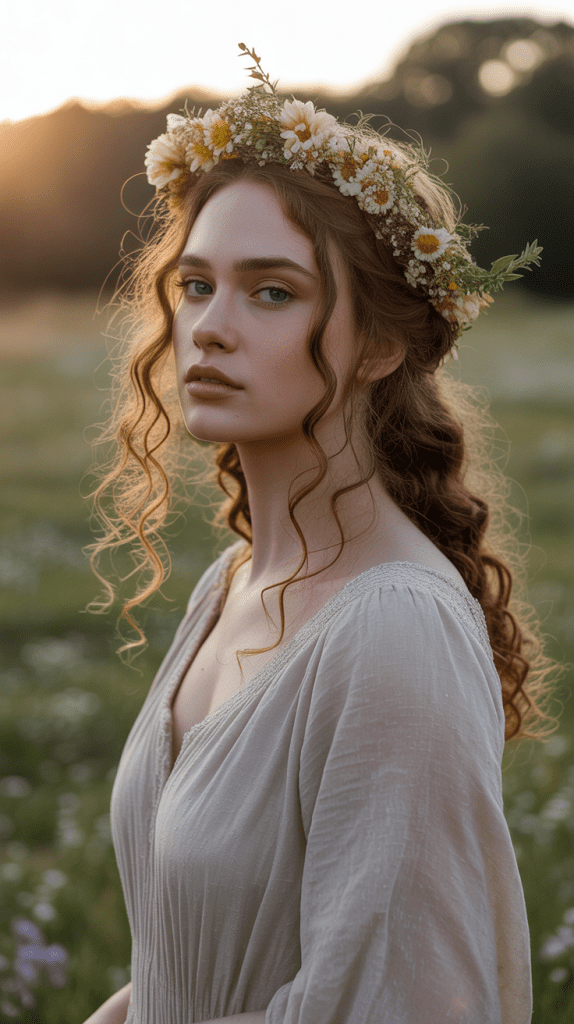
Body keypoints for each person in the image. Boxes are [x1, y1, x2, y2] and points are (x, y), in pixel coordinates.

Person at [83, 45, 560, 1024]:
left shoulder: (392, 631)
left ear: (382, 343)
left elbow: (416, 1005)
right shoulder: (234, 581)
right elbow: (201, 959)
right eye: (196, 284)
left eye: (271, 291)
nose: (209, 328)